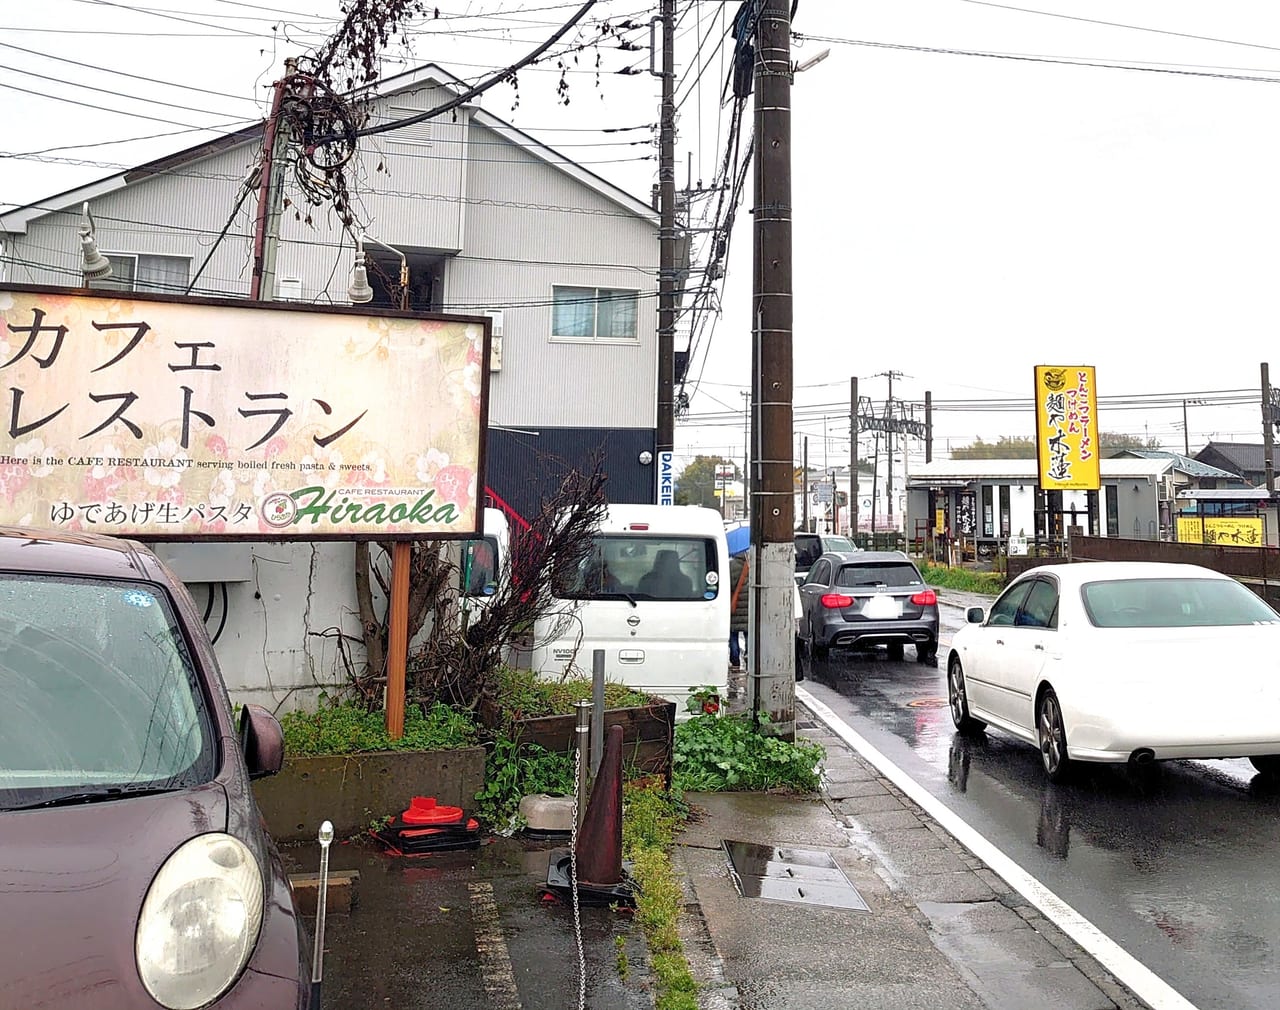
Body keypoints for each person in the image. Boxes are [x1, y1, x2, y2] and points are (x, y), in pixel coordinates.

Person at [728, 551, 750, 671]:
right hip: (748, 606)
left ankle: (735, 659)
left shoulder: (731, 566)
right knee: (748, 634)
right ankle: (749, 656)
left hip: (734, 605)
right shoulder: (752, 565)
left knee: (733, 633)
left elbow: (728, 585)